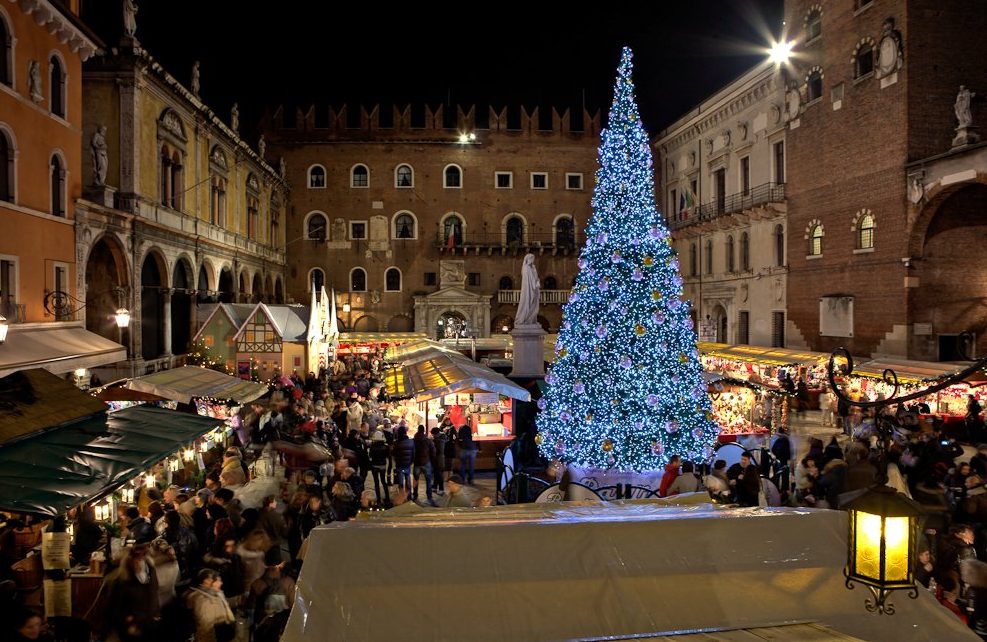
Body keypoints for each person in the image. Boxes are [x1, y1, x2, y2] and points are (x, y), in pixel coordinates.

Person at [185, 568, 235, 642]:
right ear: (207, 581)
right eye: (218, 581)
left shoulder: (216, 593)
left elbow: (224, 604)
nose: (221, 583)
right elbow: (205, 630)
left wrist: (239, 600)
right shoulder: (203, 602)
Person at [411, 425, 436, 505]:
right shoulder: (428, 440)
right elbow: (433, 451)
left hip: (417, 463)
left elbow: (411, 451)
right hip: (426, 462)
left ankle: (415, 496)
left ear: (418, 430)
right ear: (424, 431)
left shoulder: (414, 440)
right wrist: (432, 460)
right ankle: (429, 497)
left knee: (416, 480)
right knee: (428, 481)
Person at [515, 253, 540, 326]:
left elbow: (535, 278)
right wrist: (535, 284)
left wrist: (537, 281)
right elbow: (529, 280)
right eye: (531, 259)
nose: (532, 261)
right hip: (529, 290)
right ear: (527, 259)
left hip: (533, 289)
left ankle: (531, 319)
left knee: (533, 304)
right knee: (528, 302)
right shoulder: (526, 268)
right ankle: (524, 319)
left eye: (533, 259)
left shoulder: (532, 268)